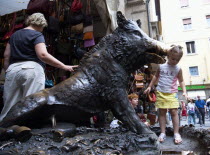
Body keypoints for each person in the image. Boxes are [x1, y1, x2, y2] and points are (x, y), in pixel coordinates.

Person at [0, 13, 78, 122]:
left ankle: (3, 130)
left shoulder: (14, 35)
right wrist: (64, 66)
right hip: (31, 70)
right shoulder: (37, 35)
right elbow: (43, 55)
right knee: (31, 103)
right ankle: (26, 131)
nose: (42, 30)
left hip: (12, 69)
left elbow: (6, 55)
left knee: (9, 105)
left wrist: (8, 70)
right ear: (41, 24)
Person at [144, 45, 187, 144]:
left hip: (172, 93)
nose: (174, 61)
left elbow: (181, 81)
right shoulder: (161, 66)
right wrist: (150, 86)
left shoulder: (178, 69)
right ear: (168, 56)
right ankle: (162, 132)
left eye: (177, 60)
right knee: (162, 112)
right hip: (161, 92)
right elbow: (155, 77)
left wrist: (184, 91)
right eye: (173, 59)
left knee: (174, 112)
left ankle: (176, 132)